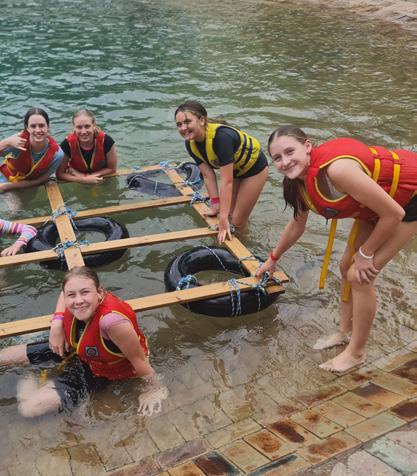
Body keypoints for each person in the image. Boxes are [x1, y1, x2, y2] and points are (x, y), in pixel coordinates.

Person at [257, 125, 417, 373]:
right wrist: (272, 259)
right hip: (379, 205)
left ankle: (356, 353)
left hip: (408, 201)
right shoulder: (298, 183)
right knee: (345, 267)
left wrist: (365, 255)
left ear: (307, 146)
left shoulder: (338, 170)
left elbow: (394, 214)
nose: (285, 162)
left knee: (360, 276)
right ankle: (344, 331)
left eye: (290, 151)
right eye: (277, 158)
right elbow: (296, 225)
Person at [0, 266, 168, 417]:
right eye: (72, 295)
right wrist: (57, 324)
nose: (78, 300)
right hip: (76, 349)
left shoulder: (111, 323)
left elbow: (140, 360)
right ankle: (37, 376)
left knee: (28, 408)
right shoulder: (74, 300)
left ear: (99, 292)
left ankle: (33, 376)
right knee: (3, 357)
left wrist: (153, 390)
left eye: (85, 292)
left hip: (99, 371)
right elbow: (63, 293)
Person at [174, 101, 269, 243]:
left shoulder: (221, 138)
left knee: (236, 221)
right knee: (229, 215)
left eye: (188, 122)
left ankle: (245, 245)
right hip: (236, 172)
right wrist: (215, 206)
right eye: (179, 124)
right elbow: (208, 175)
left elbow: (226, 182)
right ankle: (241, 235)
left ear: (202, 120)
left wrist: (222, 217)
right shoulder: (190, 143)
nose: (183, 128)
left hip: (254, 170)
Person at [0, 108, 64, 193]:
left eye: (41, 125)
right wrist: (7, 142)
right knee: (13, 202)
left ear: (48, 127)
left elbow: (40, 180)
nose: (38, 130)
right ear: (27, 128)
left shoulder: (58, 154)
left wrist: (7, 186)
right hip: (5, 179)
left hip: (28, 184)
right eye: (33, 126)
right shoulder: (18, 142)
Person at [57, 109, 117, 184]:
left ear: (94, 125)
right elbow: (60, 174)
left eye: (87, 126)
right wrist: (83, 180)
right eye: (79, 127)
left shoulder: (107, 141)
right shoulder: (66, 144)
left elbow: (112, 169)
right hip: (77, 180)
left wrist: (85, 176)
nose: (84, 131)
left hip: (101, 177)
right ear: (74, 127)